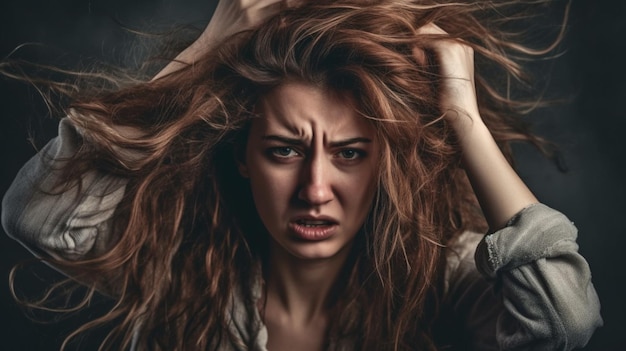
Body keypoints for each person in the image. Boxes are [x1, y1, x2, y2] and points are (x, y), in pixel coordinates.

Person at [1, 0, 602, 350]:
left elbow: (563, 323)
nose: (316, 192)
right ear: (243, 155)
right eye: (285, 151)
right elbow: (37, 213)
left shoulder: (440, 277)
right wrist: (210, 48)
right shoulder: (181, 267)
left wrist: (463, 115)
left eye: (350, 154)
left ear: (383, 162)